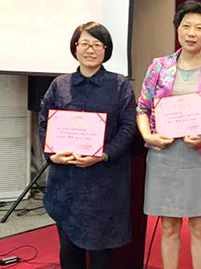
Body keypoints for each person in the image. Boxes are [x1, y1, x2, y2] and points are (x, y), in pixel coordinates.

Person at [137, 0, 201, 269]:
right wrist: (148, 137)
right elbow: (142, 108)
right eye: (186, 26)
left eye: (199, 28)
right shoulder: (158, 66)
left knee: (200, 227)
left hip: (200, 155)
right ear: (177, 28)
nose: (191, 33)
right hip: (164, 153)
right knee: (169, 225)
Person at [39, 21, 137, 269]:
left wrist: (104, 154)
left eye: (96, 44)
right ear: (75, 48)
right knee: (68, 250)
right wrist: (52, 155)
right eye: (84, 44)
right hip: (67, 181)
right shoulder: (59, 84)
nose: (90, 50)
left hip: (104, 182)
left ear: (106, 49)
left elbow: (128, 128)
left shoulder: (120, 85)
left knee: (101, 253)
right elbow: (44, 124)